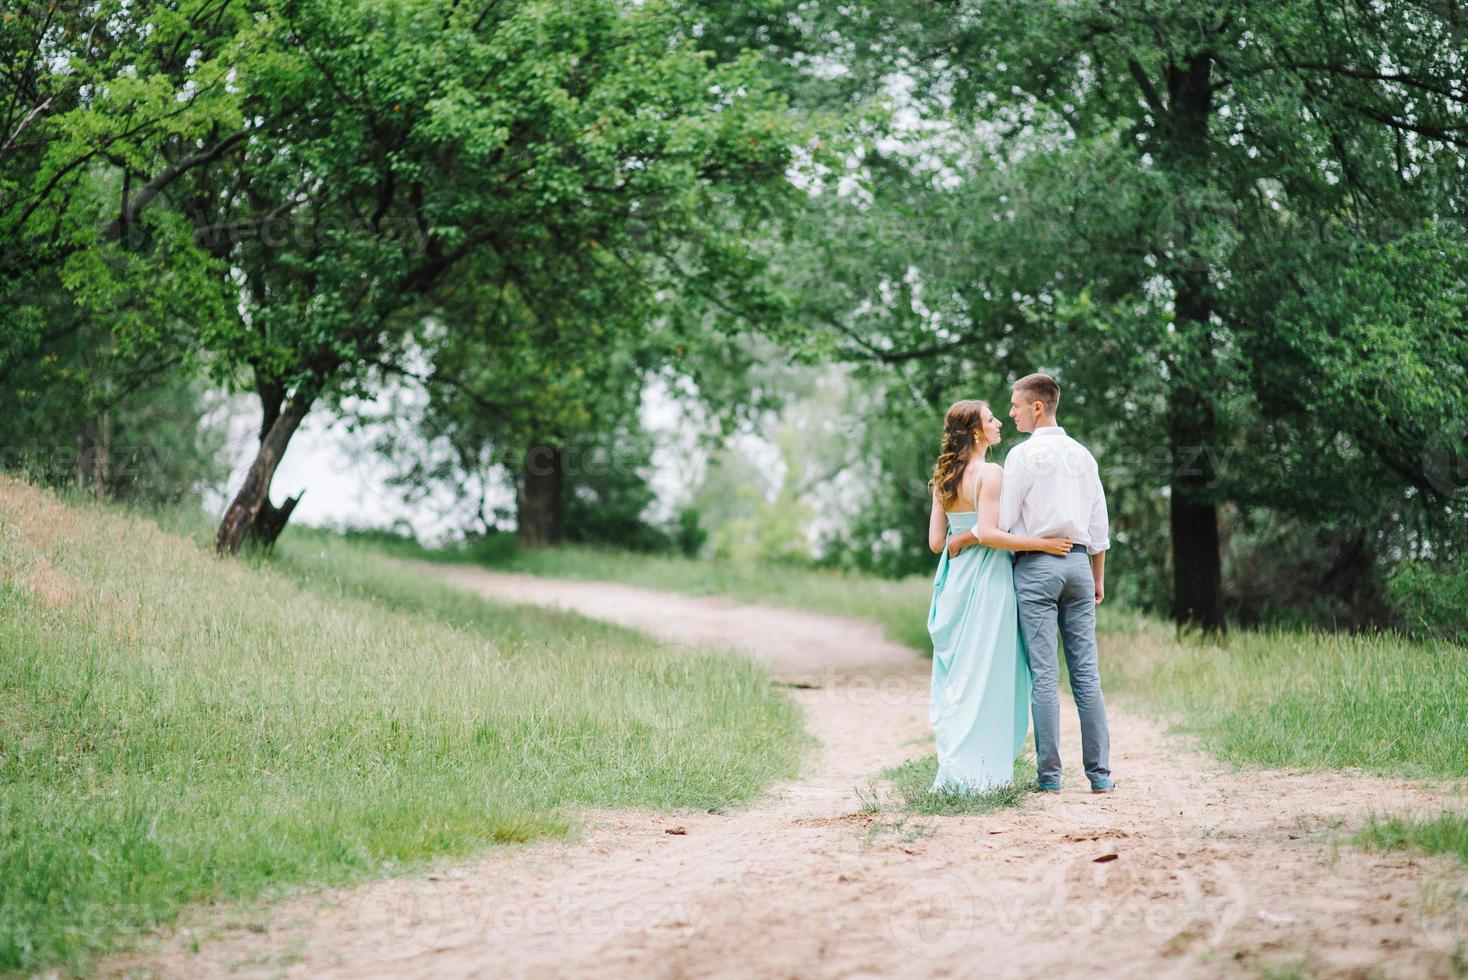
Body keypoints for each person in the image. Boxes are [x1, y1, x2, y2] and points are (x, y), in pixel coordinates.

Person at [926, 399, 1073, 794]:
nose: (999, 423)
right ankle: (985, 771)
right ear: (977, 431)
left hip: (956, 581)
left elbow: (937, 543)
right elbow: (990, 533)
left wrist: (962, 537)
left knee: (962, 675)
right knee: (989, 673)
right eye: (991, 419)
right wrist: (1042, 544)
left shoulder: (943, 478)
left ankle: (959, 765)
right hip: (988, 579)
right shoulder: (990, 473)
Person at [997, 372, 1114, 793]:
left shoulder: (1023, 456)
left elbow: (1005, 520)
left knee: (1045, 675)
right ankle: (1100, 776)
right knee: (1087, 676)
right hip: (1081, 567)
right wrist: (1096, 579)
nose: (1010, 413)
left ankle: (1050, 778)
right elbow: (1098, 525)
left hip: (1037, 566)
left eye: (1014, 405)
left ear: (1037, 407)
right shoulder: (1083, 455)